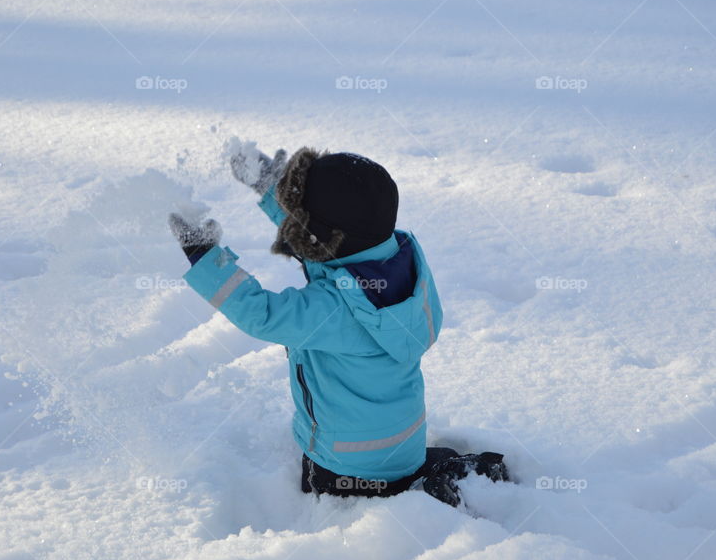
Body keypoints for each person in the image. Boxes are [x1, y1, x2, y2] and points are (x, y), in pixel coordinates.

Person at [168, 142, 508, 507]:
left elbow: (261, 313)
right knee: (399, 459)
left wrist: (204, 256)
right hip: (404, 448)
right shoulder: (400, 264)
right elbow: (324, 247)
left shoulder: (334, 310)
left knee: (322, 481)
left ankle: (404, 500)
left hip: (342, 468)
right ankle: (413, 479)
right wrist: (272, 190)